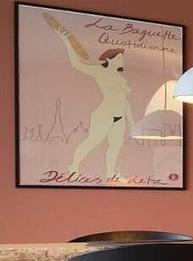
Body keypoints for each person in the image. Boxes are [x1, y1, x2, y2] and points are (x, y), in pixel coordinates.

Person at [45, 11, 133, 180]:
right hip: (105, 114)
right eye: (120, 57)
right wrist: (67, 43)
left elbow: (125, 100)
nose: (123, 60)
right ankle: (74, 166)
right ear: (110, 59)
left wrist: (131, 119)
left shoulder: (121, 78)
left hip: (120, 116)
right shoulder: (100, 71)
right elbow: (77, 64)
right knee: (92, 142)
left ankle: (110, 174)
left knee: (115, 147)